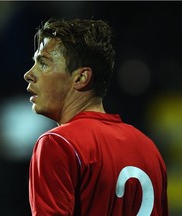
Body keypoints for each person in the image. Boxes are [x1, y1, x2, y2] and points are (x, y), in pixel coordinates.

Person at [23, 18, 168, 216]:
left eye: (43, 63)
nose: (29, 74)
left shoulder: (58, 144)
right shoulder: (149, 149)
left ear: (81, 78)